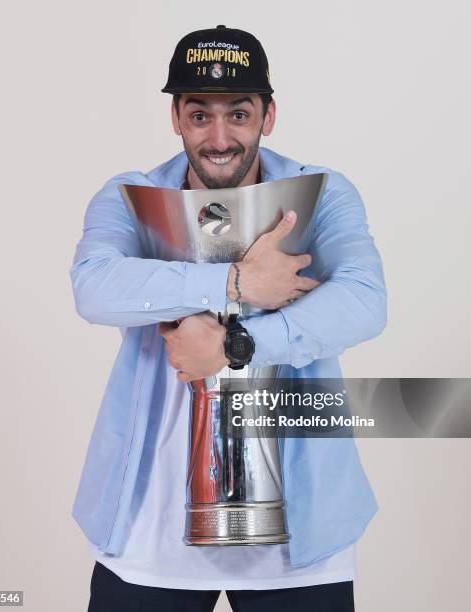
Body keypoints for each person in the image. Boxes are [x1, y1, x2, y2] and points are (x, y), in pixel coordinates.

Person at [70, 25, 387, 612]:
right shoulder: (129, 195)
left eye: (238, 114)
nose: (219, 138)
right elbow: (93, 289)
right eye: (199, 115)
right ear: (175, 117)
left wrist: (235, 346)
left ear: (268, 115)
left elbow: (366, 301)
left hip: (300, 533)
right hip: (147, 530)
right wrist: (238, 282)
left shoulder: (321, 194)